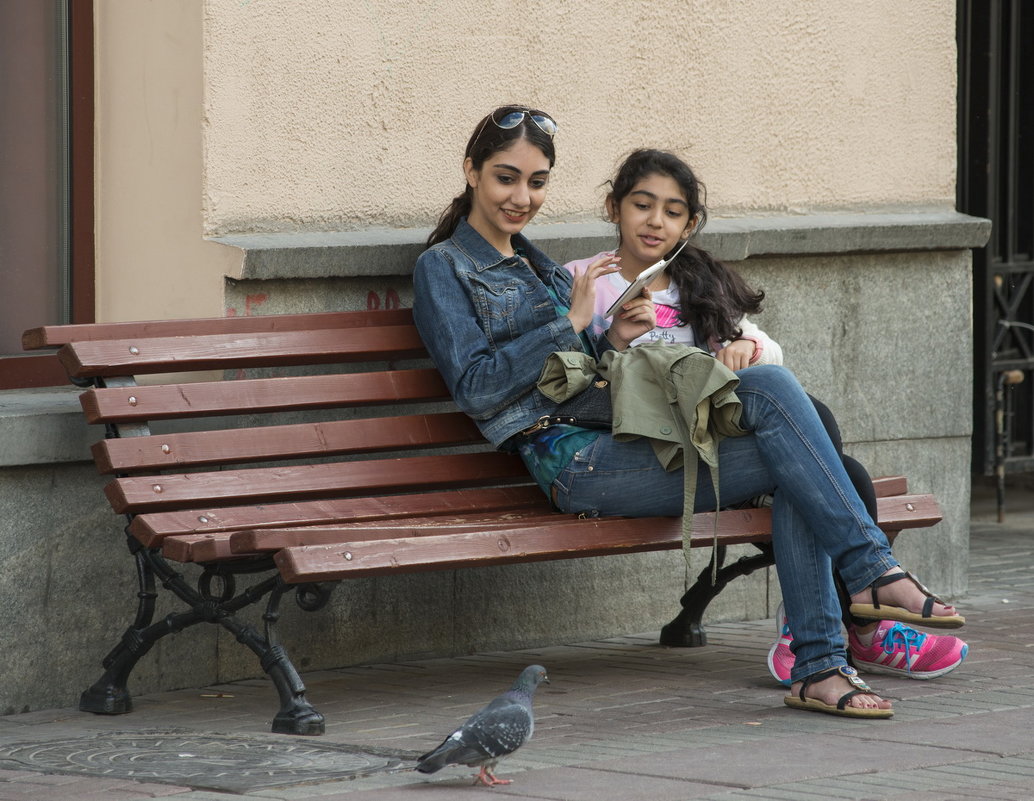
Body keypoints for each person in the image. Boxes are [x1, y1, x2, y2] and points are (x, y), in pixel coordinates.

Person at [412, 104, 965, 719]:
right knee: (802, 453)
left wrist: (610, 341)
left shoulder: (534, 262)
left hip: (621, 438)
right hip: (573, 463)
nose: (521, 196)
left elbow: (573, 373)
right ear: (471, 171)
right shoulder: (444, 267)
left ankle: (824, 666)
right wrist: (569, 323)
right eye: (505, 177)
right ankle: (868, 589)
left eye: (536, 182)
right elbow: (477, 388)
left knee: (776, 398)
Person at [563, 148, 968, 686]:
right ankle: (854, 622)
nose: (656, 221)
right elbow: (567, 383)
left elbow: (764, 351)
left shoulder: (697, 283)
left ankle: (822, 630)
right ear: (614, 208)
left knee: (833, 454)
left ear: (690, 223)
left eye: (673, 211)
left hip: (718, 439)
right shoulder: (584, 277)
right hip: (652, 454)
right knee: (830, 462)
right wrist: (612, 337)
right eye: (642, 205)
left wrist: (743, 352)